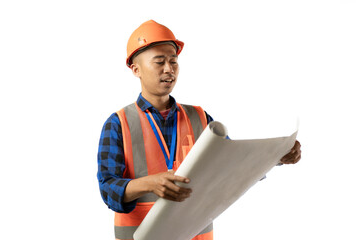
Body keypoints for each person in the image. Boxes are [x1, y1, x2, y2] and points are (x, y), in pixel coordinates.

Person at [97, 20, 302, 240]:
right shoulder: (118, 123)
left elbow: (234, 166)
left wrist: (277, 156)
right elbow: (108, 188)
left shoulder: (201, 118)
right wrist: (149, 184)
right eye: (159, 62)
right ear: (136, 69)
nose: (169, 69)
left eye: (173, 61)